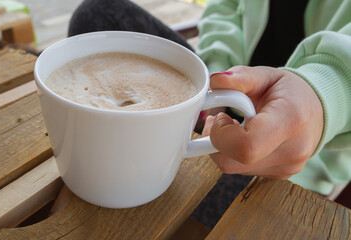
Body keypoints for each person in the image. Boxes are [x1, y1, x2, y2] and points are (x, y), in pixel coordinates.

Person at [68, 0, 351, 226]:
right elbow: (225, 8)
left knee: (133, 197)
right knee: (99, 12)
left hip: (289, 160)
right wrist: (215, 78)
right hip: (220, 105)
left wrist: (326, 92)